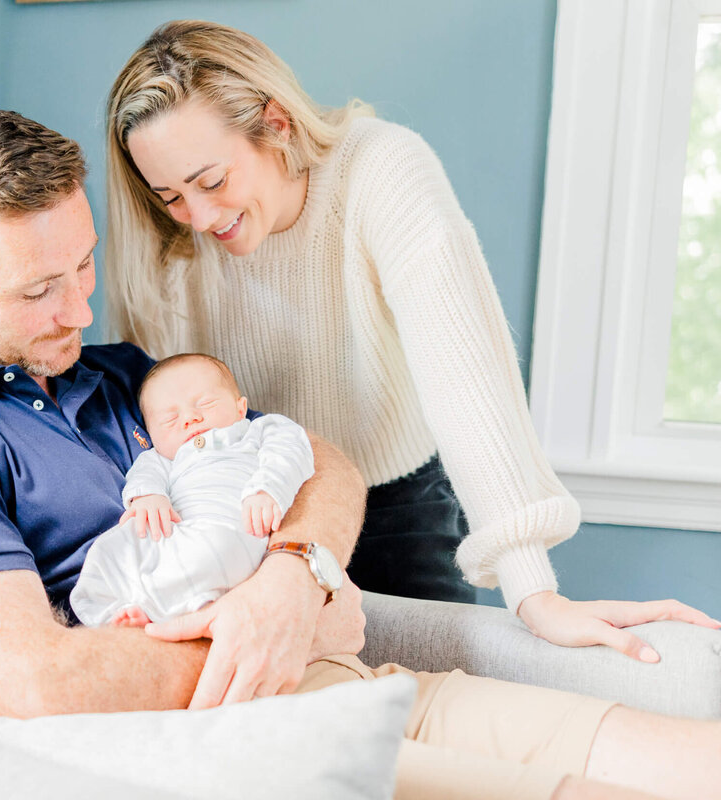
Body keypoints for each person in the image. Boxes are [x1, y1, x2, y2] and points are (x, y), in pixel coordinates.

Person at [0, 103, 721, 800]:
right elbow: (33, 682)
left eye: (84, 268)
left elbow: (319, 459)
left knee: (695, 761)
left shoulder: (119, 375)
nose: (80, 309)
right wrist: (270, 634)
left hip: (357, 679)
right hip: (245, 740)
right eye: (40, 288)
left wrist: (292, 577)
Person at [103, 19, 721, 653]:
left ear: (277, 124)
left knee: (429, 695)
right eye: (171, 195)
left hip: (397, 506)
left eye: (212, 182)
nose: (200, 217)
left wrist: (534, 590)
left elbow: (464, 372)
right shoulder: (170, 237)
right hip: (247, 515)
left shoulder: (380, 171)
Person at [70, 352, 316, 627]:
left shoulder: (258, 431)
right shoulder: (160, 459)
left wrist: (268, 489)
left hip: (233, 527)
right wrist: (148, 496)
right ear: (152, 434)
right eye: (169, 419)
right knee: (113, 548)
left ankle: (158, 609)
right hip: (175, 529)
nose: (189, 418)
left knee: (212, 556)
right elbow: (143, 475)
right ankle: (115, 611)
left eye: (205, 404)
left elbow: (291, 449)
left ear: (240, 408)